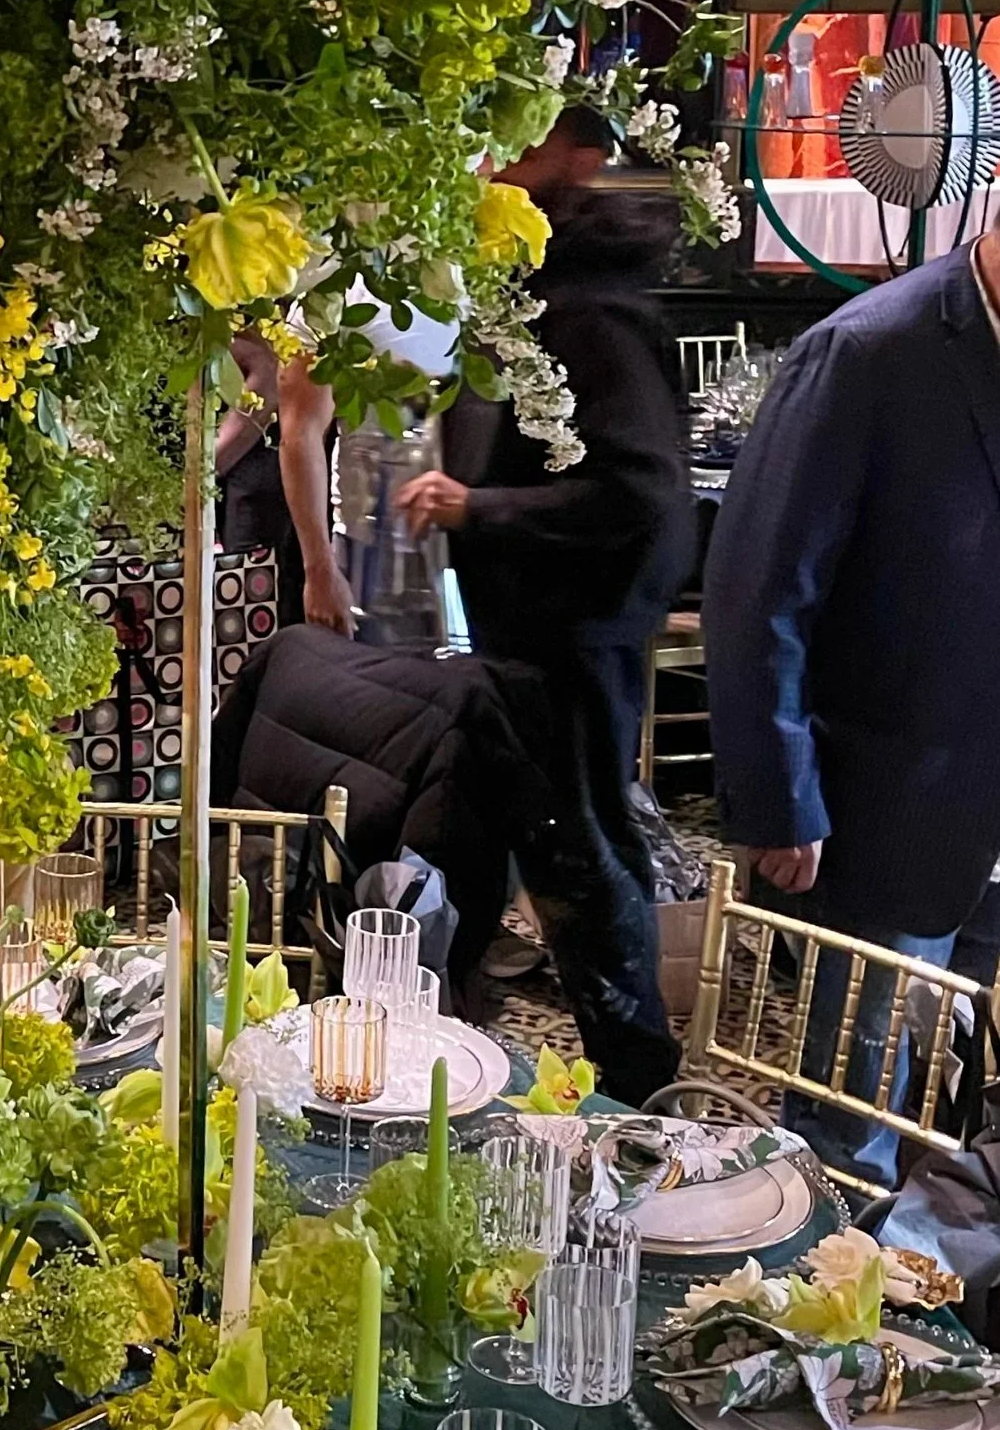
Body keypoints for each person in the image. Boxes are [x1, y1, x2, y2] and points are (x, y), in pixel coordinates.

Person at [395, 108, 693, 1098]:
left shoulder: (590, 313)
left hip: (565, 645)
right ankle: (428, 1063)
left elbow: (642, 497)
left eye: (506, 148)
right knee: (472, 856)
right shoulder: (542, 297)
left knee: (584, 868)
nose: (484, 167)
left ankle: (640, 1099)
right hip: (520, 645)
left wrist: (479, 507)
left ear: (572, 159)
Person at [703, 231, 1000, 1182]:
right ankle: (821, 1314)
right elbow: (759, 592)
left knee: (962, 1126)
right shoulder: (867, 350)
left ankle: (926, 1307)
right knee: (850, 1120)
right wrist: (779, 795)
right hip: (887, 806)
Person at [216, 332, 352, 630]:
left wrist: (205, 465)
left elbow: (265, 369)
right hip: (275, 459)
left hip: (264, 463)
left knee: (256, 604)